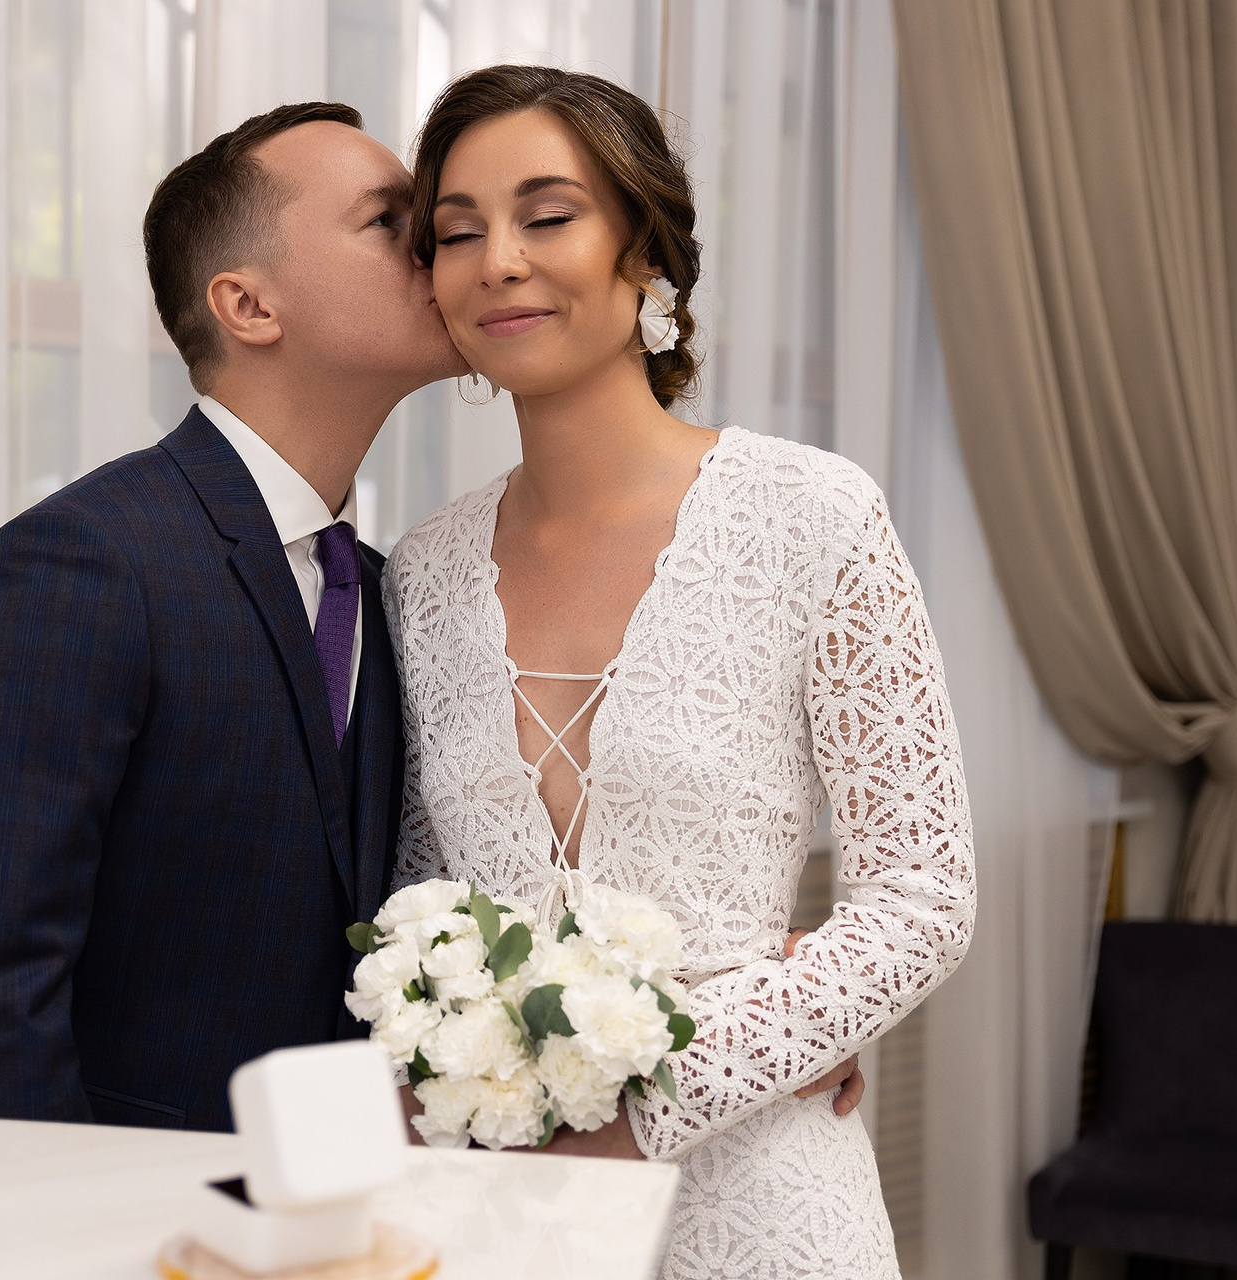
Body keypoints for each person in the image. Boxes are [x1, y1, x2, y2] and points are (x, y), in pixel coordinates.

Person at [384, 66, 976, 1278]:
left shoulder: (812, 515)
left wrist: (657, 1100)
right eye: (458, 230)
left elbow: (922, 891)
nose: (499, 260)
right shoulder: (421, 573)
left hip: (768, 1206)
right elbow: (413, 901)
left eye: (548, 216)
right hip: (509, 1219)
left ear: (645, 249)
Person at [0, 101, 462, 1171]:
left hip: (304, 1212)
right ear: (248, 304)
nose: (436, 246)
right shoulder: (81, 561)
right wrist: (71, 1231)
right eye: (388, 220)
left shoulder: (391, 591)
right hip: (81, 1213)